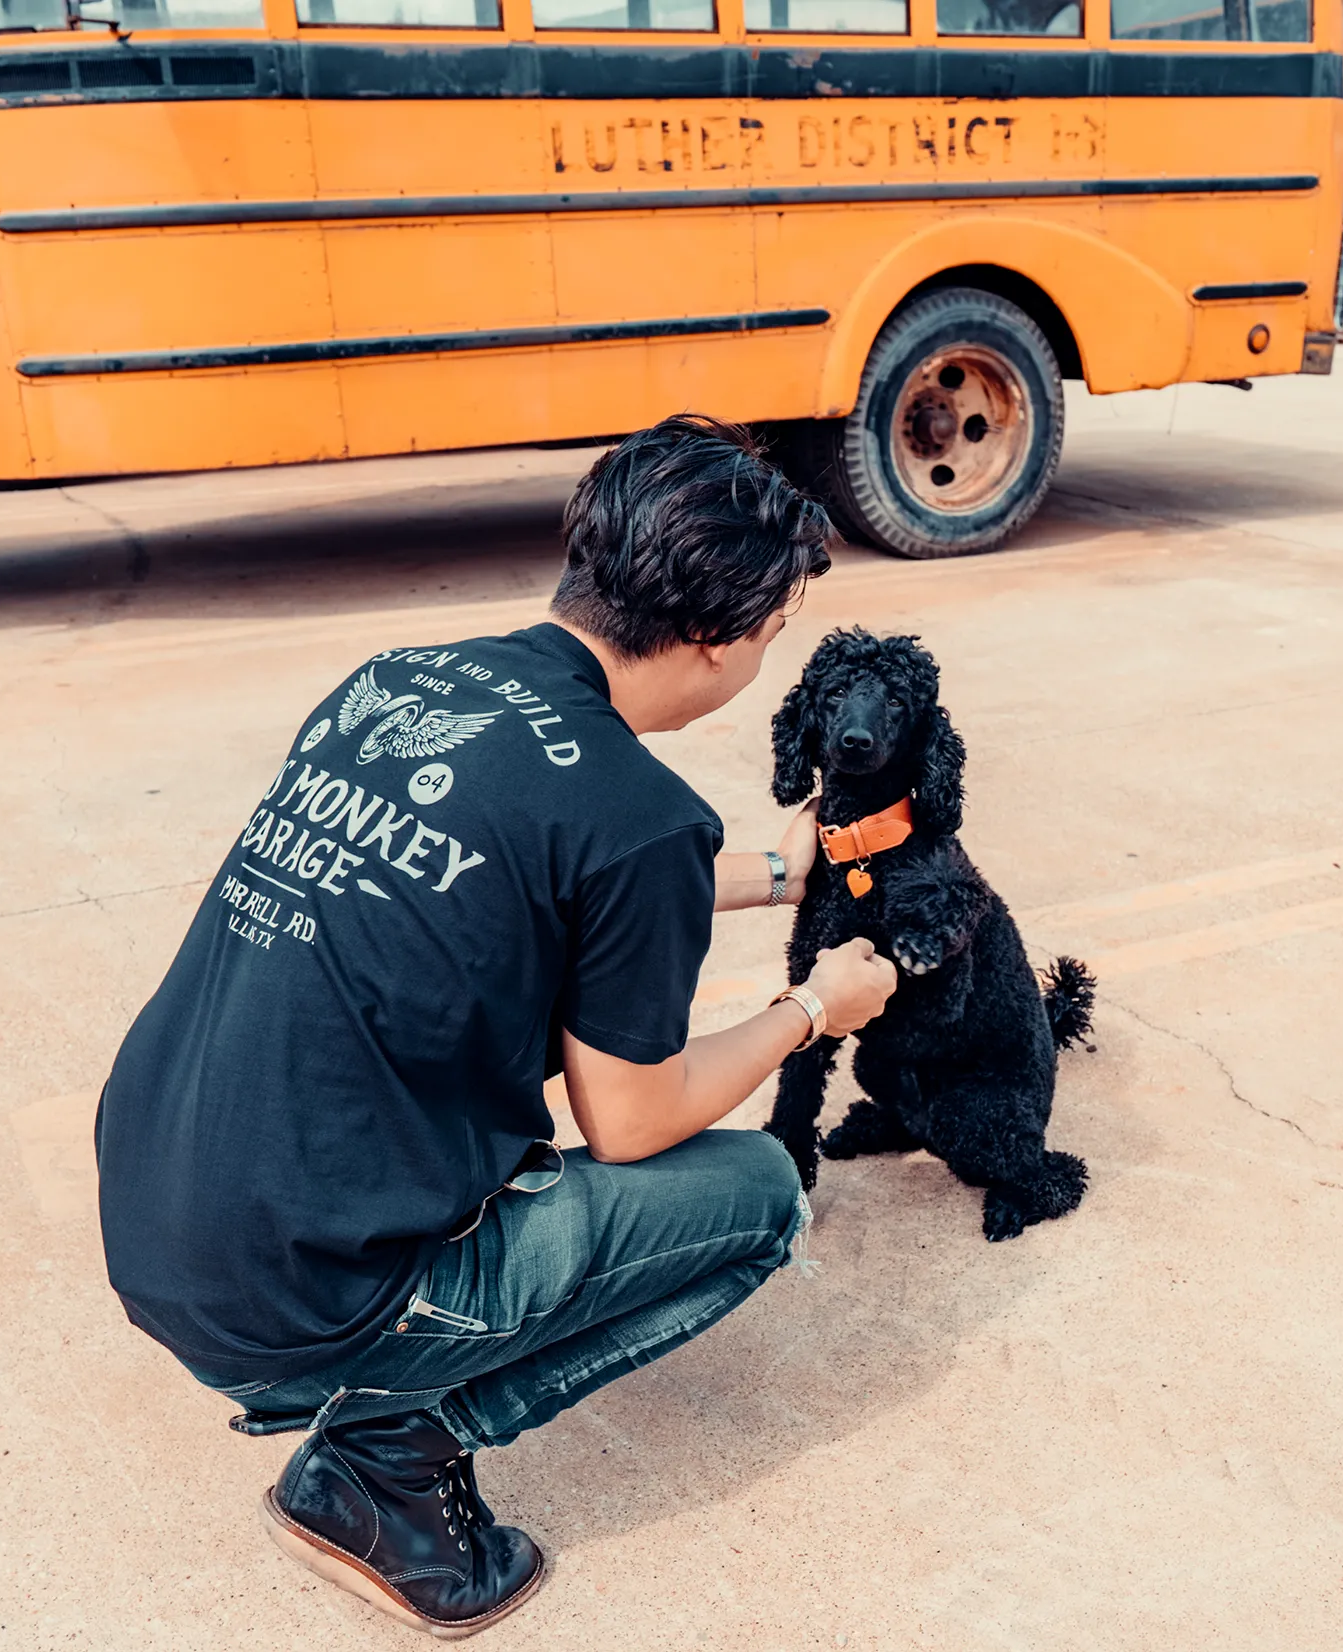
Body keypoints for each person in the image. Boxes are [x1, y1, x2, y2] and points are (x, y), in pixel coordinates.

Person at [95, 414, 898, 1638]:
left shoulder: (396, 679)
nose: (759, 667)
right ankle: (387, 1458)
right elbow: (631, 1123)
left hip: (160, 1219)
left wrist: (773, 879)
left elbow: (523, 855)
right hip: (300, 1301)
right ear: (711, 639)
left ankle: (369, 1410)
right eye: (770, 637)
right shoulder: (635, 814)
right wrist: (808, 1008)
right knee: (758, 1196)